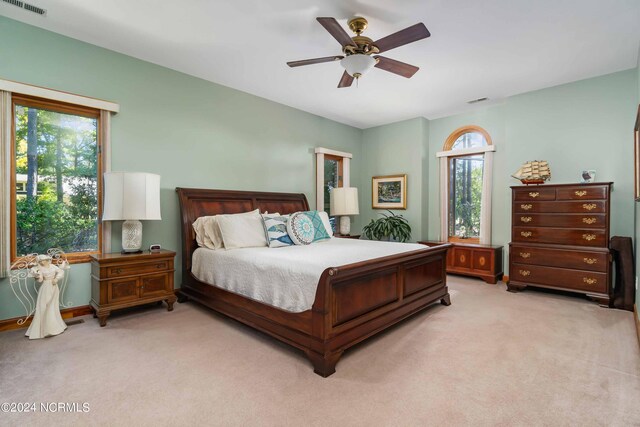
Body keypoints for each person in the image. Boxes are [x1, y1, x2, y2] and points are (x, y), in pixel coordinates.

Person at [25, 255, 67, 339]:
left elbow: (61, 272)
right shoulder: (39, 268)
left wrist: (56, 279)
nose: (43, 262)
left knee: (53, 306)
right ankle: (44, 329)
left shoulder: (52, 266)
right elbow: (40, 280)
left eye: (45, 260)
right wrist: (36, 275)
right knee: (44, 306)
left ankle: (55, 325)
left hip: (54, 287)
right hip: (46, 287)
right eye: (41, 261)